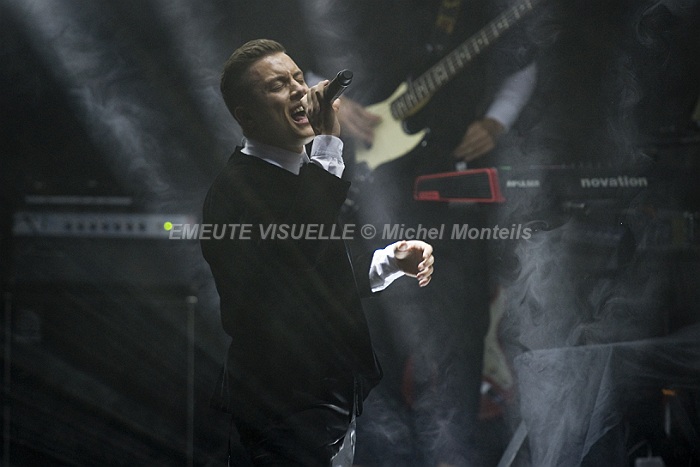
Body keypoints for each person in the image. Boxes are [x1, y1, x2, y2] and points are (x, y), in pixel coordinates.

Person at [299, 1, 539, 465]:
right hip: (369, 192)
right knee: (368, 335)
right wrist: (332, 102)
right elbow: (302, 66)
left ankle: (456, 454)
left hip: (447, 190)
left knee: (461, 331)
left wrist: (496, 121)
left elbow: (524, 61)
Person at [200, 39, 436, 467]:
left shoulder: (301, 180)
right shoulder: (237, 190)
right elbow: (296, 255)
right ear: (245, 116)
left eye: (297, 78)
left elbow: (312, 278)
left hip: (323, 407)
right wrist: (327, 146)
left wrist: (390, 261)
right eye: (276, 85)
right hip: (282, 410)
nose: (297, 89)